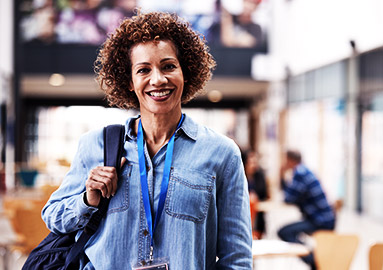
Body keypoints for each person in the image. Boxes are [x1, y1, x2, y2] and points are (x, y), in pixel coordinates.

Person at [42, 11, 252, 269]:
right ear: (129, 81)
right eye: (143, 70)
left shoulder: (222, 153)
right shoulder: (95, 145)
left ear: (185, 72)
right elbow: (52, 216)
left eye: (168, 66)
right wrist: (88, 200)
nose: (158, 79)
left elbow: (237, 259)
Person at [278, 150, 335, 270]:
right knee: (290, 230)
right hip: (324, 218)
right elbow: (291, 195)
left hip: (320, 221)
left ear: (289, 160)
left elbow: (288, 198)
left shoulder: (300, 173)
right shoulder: (305, 170)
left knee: (284, 232)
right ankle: (313, 257)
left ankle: (314, 259)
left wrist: (281, 176)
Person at [241, 149, 268, 239]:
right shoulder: (240, 175)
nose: (254, 165)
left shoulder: (259, 175)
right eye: (251, 162)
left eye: (255, 162)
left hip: (257, 213)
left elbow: (263, 194)